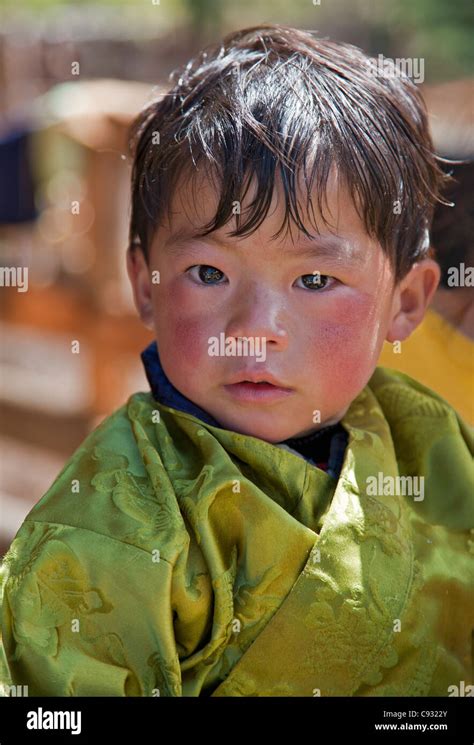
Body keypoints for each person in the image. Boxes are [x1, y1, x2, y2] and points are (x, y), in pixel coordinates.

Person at [0, 24, 472, 698]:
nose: (255, 330)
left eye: (314, 282)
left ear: (406, 301)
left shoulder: (433, 445)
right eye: (209, 273)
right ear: (144, 285)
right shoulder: (116, 524)